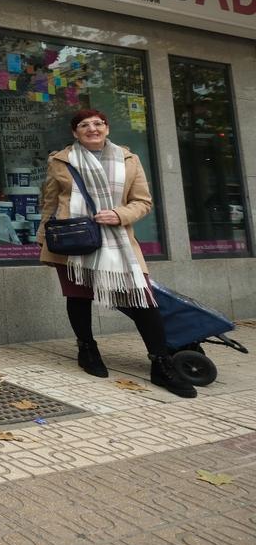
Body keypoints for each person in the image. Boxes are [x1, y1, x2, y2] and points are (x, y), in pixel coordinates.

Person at [38, 109, 196, 397]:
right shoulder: (60, 160)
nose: (92, 129)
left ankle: (160, 363)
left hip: (119, 241)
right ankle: (87, 349)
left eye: (98, 123)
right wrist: (44, 238)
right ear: (75, 133)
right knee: (78, 296)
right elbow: (50, 202)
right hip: (75, 241)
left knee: (143, 300)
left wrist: (119, 214)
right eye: (84, 125)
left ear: (107, 128)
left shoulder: (129, 159)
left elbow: (143, 202)